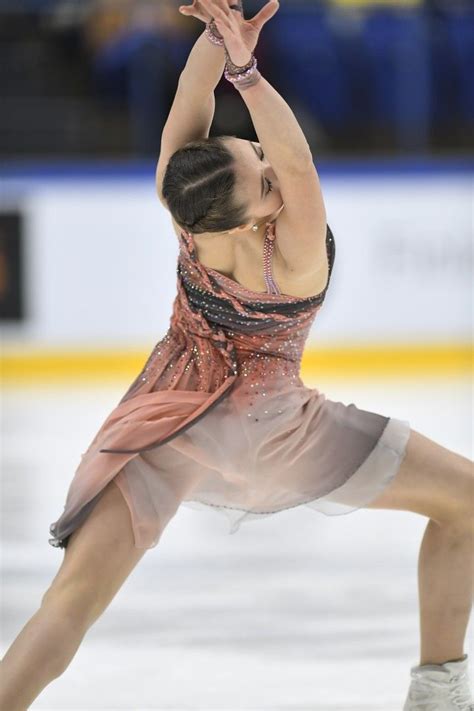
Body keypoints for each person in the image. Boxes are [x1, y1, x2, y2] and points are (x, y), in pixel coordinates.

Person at [0, 1, 472, 709]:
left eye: (253, 150)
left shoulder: (185, 205)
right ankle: (439, 688)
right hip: (273, 434)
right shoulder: (293, 250)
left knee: (68, 603)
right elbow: (299, 164)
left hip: (162, 422)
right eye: (261, 174)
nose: (267, 161)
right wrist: (245, 71)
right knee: (466, 503)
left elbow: (190, 105)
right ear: (249, 216)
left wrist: (214, 39)